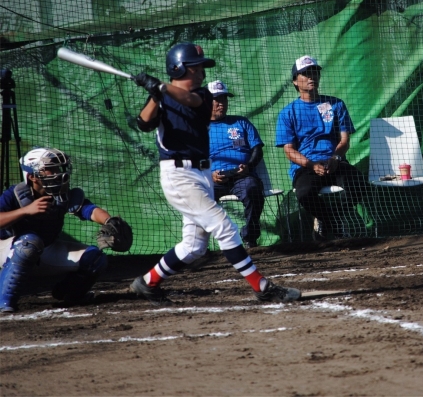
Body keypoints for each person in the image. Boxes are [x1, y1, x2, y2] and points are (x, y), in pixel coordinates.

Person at [132, 42, 300, 305]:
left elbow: (190, 101)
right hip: (179, 176)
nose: (202, 72)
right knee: (224, 227)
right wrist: (154, 94)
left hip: (202, 174)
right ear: (178, 68)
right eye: (195, 67)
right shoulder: (163, 97)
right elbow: (143, 123)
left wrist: (161, 87)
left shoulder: (203, 96)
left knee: (194, 246)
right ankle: (262, 288)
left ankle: (147, 283)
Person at [0, 147, 132, 312]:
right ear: (33, 176)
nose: (58, 173)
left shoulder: (62, 195)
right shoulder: (15, 194)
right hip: (7, 249)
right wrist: (25, 211)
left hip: (45, 248)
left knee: (95, 259)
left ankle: (70, 294)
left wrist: (109, 221)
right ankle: (4, 302)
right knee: (29, 243)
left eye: (58, 168)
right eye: (51, 169)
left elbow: (89, 210)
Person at [275, 55, 369, 240]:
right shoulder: (287, 113)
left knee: (359, 185)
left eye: (315, 72)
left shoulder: (336, 104)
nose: (312, 77)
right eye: (306, 74)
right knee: (304, 194)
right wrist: (311, 165)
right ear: (295, 81)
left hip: (335, 162)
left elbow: (344, 140)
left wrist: (335, 158)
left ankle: (329, 218)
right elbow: (289, 150)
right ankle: (332, 221)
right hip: (306, 166)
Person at [208, 80, 265, 249]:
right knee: (198, 196)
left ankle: (250, 239)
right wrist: (209, 175)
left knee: (253, 190)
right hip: (213, 179)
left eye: (224, 99)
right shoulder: (198, 129)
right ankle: (202, 244)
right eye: (217, 99)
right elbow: (193, 160)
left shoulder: (241, 122)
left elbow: (257, 150)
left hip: (242, 176)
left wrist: (249, 166)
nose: (222, 103)